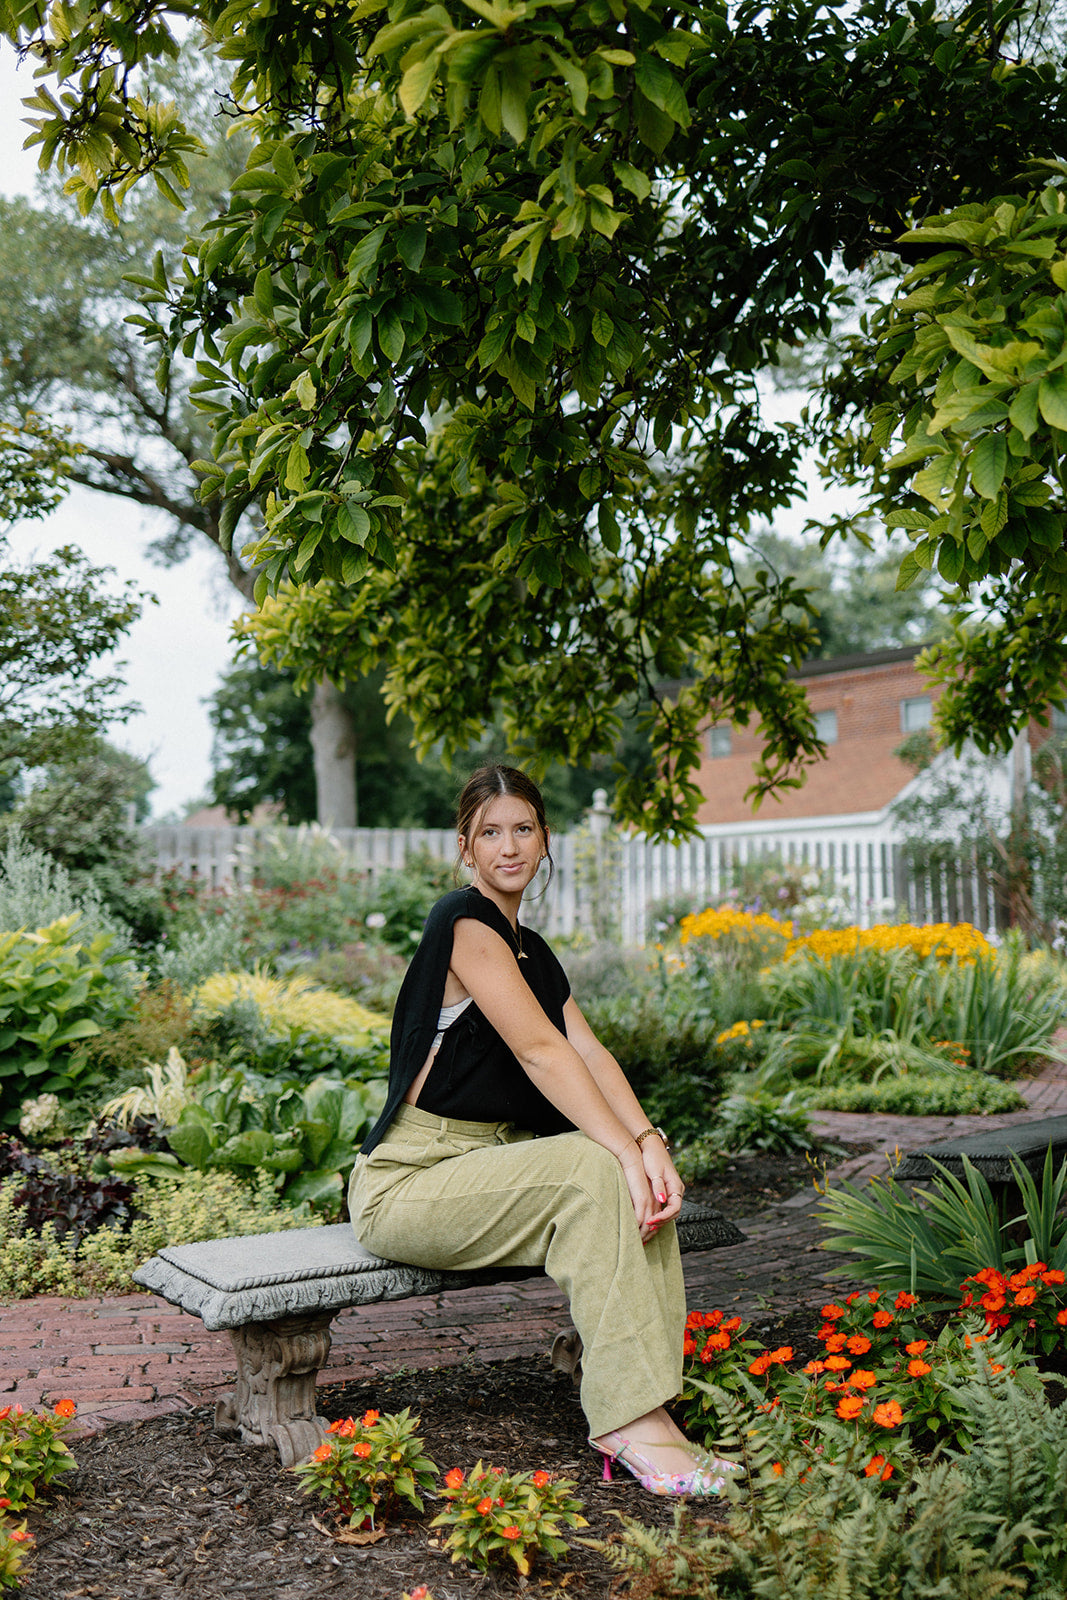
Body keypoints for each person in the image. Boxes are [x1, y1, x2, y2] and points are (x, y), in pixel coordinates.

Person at [348, 764, 738, 1495]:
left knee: (628, 1180)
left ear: (544, 838)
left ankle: (654, 1413)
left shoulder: (535, 952)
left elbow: (587, 1049)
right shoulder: (462, 922)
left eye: (521, 829)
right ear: (465, 847)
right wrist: (619, 1152)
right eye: (489, 833)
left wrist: (649, 1144)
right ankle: (627, 1424)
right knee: (597, 1167)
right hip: (410, 1180)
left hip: (487, 1168)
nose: (508, 847)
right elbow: (540, 1051)